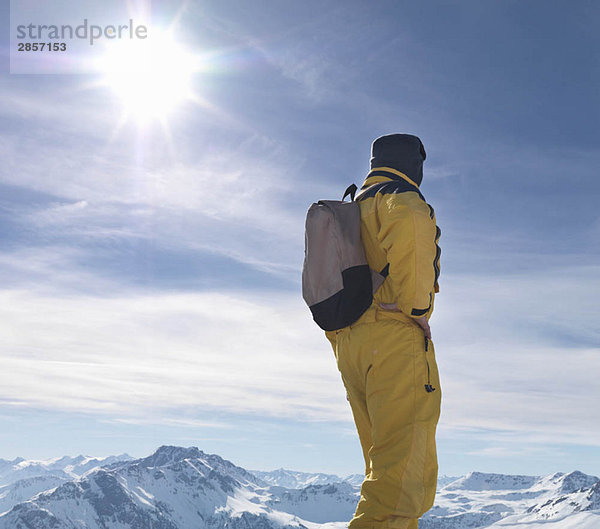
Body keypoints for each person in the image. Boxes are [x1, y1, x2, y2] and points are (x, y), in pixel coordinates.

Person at [325, 134, 442, 529]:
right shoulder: (404, 202)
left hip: (350, 343)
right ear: (414, 164)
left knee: (383, 464)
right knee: (401, 481)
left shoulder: (352, 209)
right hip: (393, 339)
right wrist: (418, 311)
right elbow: (413, 273)